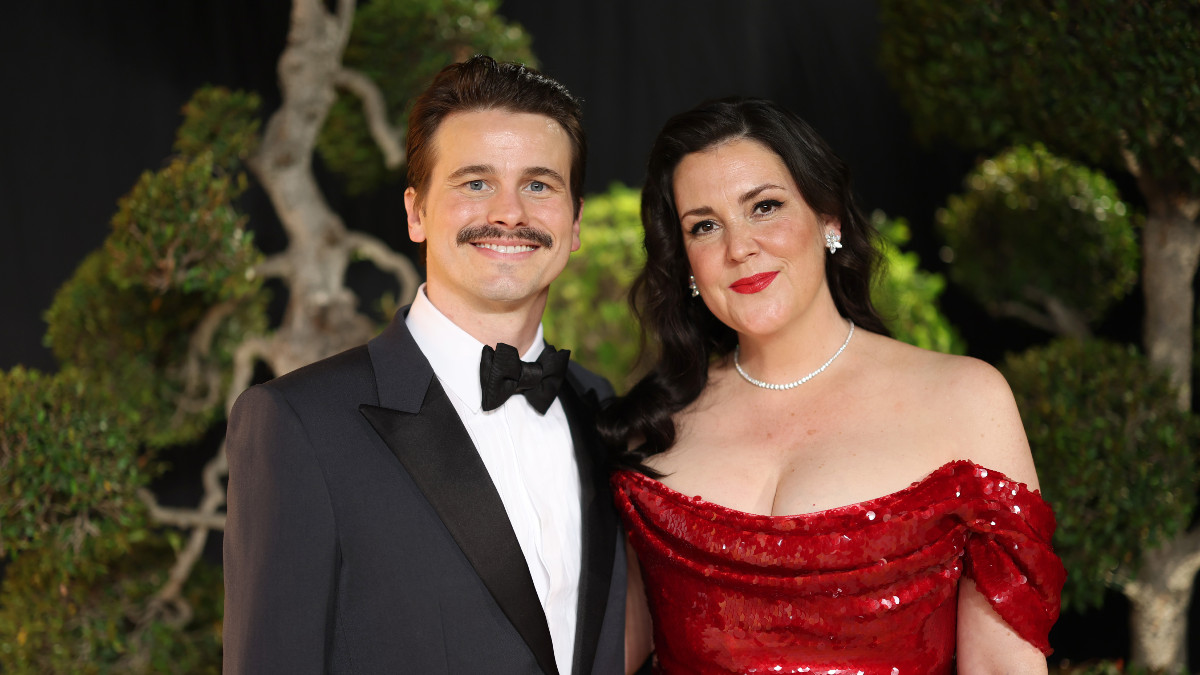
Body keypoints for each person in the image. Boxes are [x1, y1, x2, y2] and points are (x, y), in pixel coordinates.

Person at [600, 98, 1065, 675]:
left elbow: (1003, 665)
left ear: (829, 218)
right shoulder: (652, 429)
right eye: (704, 225)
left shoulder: (964, 400)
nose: (738, 248)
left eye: (764, 207)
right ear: (687, 263)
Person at [223, 55, 626, 675]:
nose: (509, 213)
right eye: (475, 183)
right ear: (416, 213)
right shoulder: (299, 424)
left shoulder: (605, 413)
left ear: (573, 223)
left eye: (539, 185)